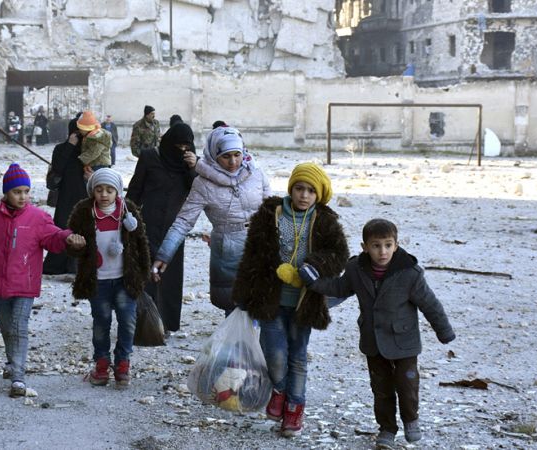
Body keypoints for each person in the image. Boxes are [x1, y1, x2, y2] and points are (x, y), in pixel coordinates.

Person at [300, 218, 455, 448]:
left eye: (388, 245)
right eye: (376, 245)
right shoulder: (355, 269)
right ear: (364, 247)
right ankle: (387, 429)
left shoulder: (409, 273)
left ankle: (411, 419)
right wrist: (314, 283)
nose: (382, 251)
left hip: (404, 342)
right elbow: (339, 288)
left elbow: (429, 304)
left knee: (407, 386)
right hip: (373, 340)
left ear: (396, 245)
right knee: (381, 389)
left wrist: (444, 332)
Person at [232, 162, 349, 437]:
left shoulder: (324, 220)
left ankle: (294, 409)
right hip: (269, 298)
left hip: (303, 302)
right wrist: (243, 293)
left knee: (297, 356)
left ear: (318, 194)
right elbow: (253, 255)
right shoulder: (269, 213)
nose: (304, 195)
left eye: (310, 190)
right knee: (273, 354)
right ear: (291, 189)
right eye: (299, 188)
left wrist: (315, 265)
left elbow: (339, 255)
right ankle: (279, 389)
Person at [0, 163, 86, 397]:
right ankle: (11, 362)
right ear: (6, 193)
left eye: (26, 191)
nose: (22, 196)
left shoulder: (38, 217)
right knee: (6, 328)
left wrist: (68, 238)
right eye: (17, 192)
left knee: (18, 327)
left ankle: (18, 377)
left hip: (25, 284)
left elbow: (53, 237)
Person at [152, 127, 271, 316]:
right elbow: (183, 222)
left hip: (261, 245)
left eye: (236, 155)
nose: (233, 162)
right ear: (214, 154)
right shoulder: (203, 184)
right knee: (235, 310)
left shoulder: (256, 174)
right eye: (226, 156)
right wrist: (164, 254)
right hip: (228, 250)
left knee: (266, 306)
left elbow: (271, 211)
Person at [67, 168, 150, 387]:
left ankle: (123, 363)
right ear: (92, 191)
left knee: (127, 321)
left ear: (118, 192)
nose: (104, 194)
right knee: (101, 322)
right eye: (99, 189)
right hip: (98, 280)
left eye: (110, 190)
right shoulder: (84, 213)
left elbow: (141, 242)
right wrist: (74, 245)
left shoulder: (127, 211)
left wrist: (144, 272)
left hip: (125, 279)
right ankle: (102, 364)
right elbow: (72, 244)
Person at [127, 122, 197, 334]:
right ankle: (144, 323)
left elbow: (197, 191)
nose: (183, 150)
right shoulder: (150, 157)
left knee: (170, 277)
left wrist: (194, 167)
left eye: (187, 146)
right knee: (146, 273)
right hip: (147, 223)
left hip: (175, 229)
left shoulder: (189, 163)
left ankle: (165, 324)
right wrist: (125, 217)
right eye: (179, 145)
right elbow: (135, 189)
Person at [42, 114, 89, 275]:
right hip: (66, 197)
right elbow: (58, 169)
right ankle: (58, 266)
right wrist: (70, 146)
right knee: (63, 227)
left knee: (84, 230)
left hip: (86, 196)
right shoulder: (61, 149)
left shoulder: (90, 150)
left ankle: (77, 266)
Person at [76, 110, 112, 175]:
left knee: (95, 182)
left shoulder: (96, 137)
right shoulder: (90, 135)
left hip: (100, 165)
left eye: (81, 129)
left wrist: (80, 159)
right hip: (95, 163)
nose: (80, 131)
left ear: (86, 129)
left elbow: (94, 152)